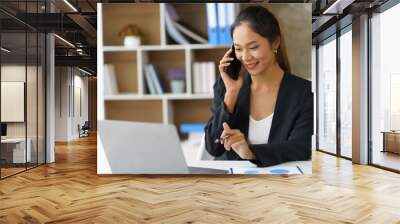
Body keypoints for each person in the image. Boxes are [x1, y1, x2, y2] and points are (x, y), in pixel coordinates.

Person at [204, 5, 313, 167]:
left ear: (275, 42)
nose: (245, 57)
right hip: (237, 185)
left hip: (283, 184)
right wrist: (231, 93)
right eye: (238, 49)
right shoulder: (226, 86)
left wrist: (251, 152)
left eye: (253, 47)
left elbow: (302, 147)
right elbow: (214, 148)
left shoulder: (304, 92)